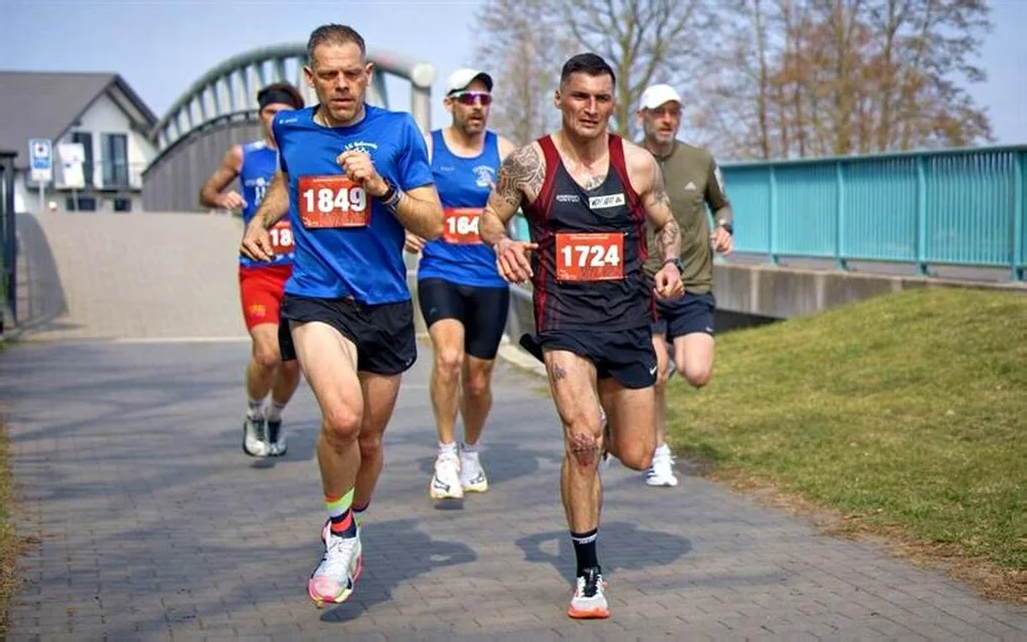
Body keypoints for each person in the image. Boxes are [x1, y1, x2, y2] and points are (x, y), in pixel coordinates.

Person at [239, 24, 443, 607]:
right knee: (344, 419)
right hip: (316, 296)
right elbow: (286, 181)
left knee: (372, 442)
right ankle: (341, 534)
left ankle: (348, 524)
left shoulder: (398, 132)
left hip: (384, 303)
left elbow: (430, 223)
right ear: (311, 78)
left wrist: (382, 187)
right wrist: (262, 218)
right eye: (328, 74)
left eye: (352, 73)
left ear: (367, 75)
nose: (342, 84)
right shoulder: (292, 128)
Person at [480, 53, 684, 620]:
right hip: (564, 318)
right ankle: (588, 574)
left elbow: (665, 221)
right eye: (579, 96)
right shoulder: (530, 164)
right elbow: (489, 218)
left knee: (638, 452)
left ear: (612, 103)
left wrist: (671, 264)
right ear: (560, 98)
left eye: (600, 98)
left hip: (625, 320)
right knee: (583, 439)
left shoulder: (638, 163)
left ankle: (592, 458)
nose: (590, 108)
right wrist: (502, 243)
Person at [404, 68, 516, 501]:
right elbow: (395, 196)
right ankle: (446, 454)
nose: (477, 106)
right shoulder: (428, 146)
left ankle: (471, 451)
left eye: (485, 99)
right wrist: (405, 227)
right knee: (448, 359)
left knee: (478, 381)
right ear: (449, 103)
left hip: (489, 277)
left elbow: (529, 204)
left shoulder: (503, 151)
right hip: (441, 271)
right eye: (468, 98)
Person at [199, 82, 306, 457]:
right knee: (267, 354)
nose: (276, 119)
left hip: (302, 273)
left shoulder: (308, 153)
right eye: (269, 112)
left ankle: (275, 416)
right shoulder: (243, 156)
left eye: (284, 113)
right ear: (261, 116)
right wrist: (220, 197)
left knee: (293, 364)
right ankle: (254, 412)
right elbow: (205, 192)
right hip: (259, 270)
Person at [636, 84, 734, 488]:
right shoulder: (628, 160)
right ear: (642, 116)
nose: (667, 120)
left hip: (693, 280)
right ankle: (660, 454)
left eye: (674, 112)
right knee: (656, 375)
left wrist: (725, 227)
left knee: (697, 373)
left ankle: (668, 359)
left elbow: (721, 205)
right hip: (645, 284)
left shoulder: (700, 160)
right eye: (659, 112)